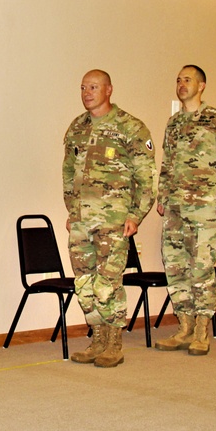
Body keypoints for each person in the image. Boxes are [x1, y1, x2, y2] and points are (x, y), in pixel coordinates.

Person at [63, 69, 156, 367]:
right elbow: (68, 174)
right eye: (82, 87)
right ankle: (97, 338)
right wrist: (71, 209)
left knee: (108, 281)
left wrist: (136, 214)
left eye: (93, 87)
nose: (87, 92)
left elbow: (146, 177)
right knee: (85, 283)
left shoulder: (131, 127)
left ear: (109, 90)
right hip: (81, 221)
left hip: (114, 221)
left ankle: (114, 343)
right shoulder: (77, 127)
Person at [155, 65, 216, 356]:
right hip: (175, 210)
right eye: (179, 80)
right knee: (175, 267)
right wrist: (162, 196)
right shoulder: (173, 123)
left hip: (204, 208)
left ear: (202, 85)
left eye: (188, 80)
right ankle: (183, 326)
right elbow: (167, 163)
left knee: (201, 269)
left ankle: (201, 331)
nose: (182, 85)